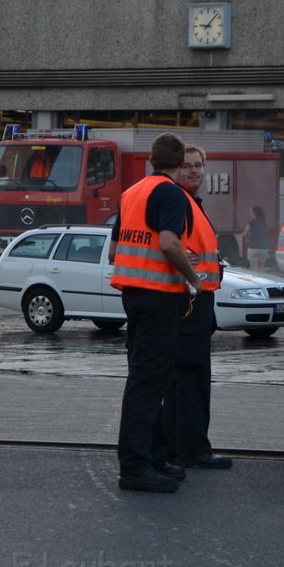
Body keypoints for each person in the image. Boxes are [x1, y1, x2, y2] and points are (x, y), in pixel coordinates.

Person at [109, 132, 202, 494]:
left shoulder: (132, 193)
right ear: (180, 165)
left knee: (150, 379)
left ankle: (153, 457)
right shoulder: (171, 193)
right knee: (147, 385)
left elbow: (116, 249)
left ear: (150, 159)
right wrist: (191, 275)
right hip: (160, 297)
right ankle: (135, 467)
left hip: (134, 296)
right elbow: (167, 242)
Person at [158, 144, 232, 470]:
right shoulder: (180, 201)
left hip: (194, 300)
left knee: (180, 379)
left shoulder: (190, 203)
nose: (194, 171)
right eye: (187, 165)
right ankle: (193, 450)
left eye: (199, 165)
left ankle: (177, 447)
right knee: (193, 379)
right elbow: (168, 245)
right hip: (189, 300)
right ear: (176, 167)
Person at [243, 204, 270, 271]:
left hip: (253, 247)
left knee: (254, 268)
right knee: (261, 269)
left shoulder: (251, 223)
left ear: (254, 213)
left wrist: (247, 235)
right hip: (263, 248)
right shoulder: (264, 223)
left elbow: (244, 233)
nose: (250, 214)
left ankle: (255, 281)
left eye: (251, 212)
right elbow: (265, 233)